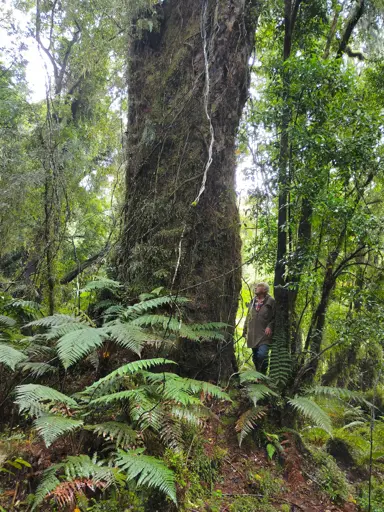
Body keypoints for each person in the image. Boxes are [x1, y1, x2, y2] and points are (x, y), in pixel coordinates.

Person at [243, 282, 276, 374]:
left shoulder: (271, 301)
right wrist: (245, 331)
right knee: (255, 356)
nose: (256, 288)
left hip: (264, 335)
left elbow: (275, 317)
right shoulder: (253, 301)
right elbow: (248, 316)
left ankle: (263, 375)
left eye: (258, 287)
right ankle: (258, 376)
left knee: (262, 355)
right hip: (253, 334)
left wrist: (270, 326)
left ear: (264, 290)